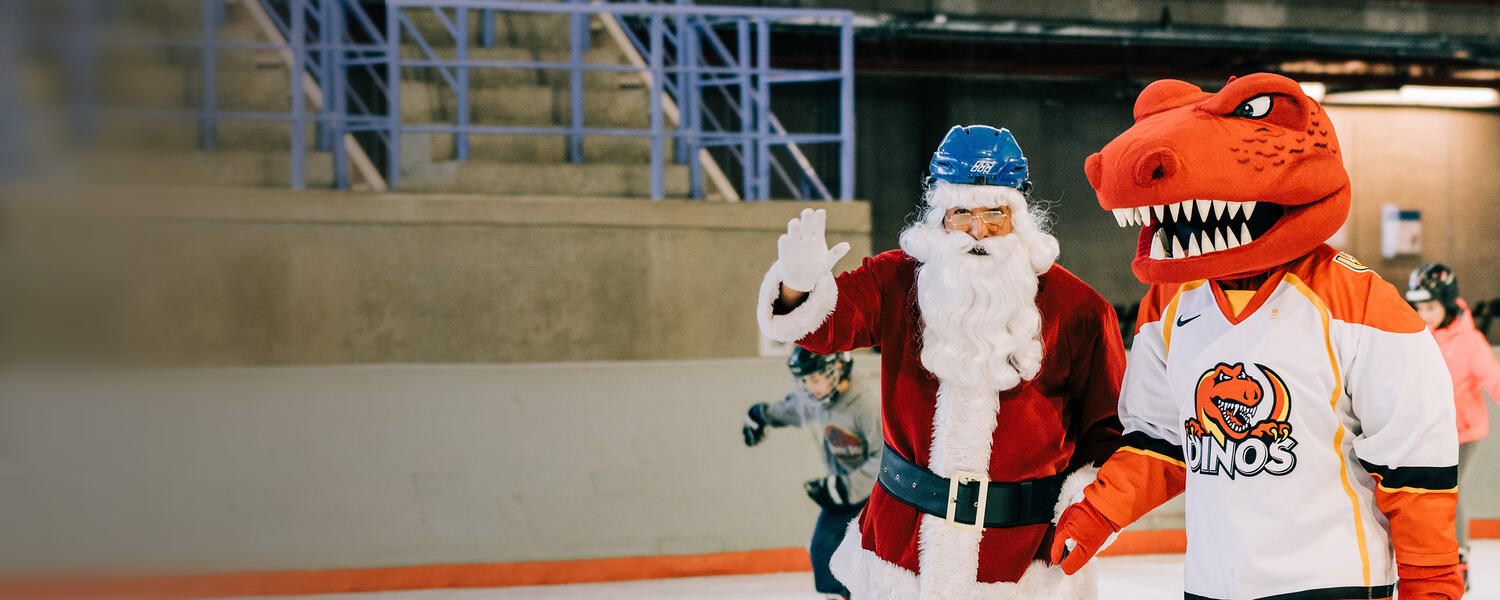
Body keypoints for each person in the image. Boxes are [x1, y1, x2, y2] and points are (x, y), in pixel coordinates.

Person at [1052, 73, 1463, 599]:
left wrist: (1431, 582)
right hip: (1213, 584)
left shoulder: (1363, 304)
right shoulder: (1169, 303)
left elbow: (1415, 467)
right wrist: (1097, 513)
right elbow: (1160, 441)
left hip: (1333, 583)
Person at [755, 125, 1125, 598]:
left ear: (1019, 216)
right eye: (963, 212)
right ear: (939, 215)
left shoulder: (1080, 310)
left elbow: (1109, 433)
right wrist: (796, 284)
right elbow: (821, 326)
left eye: (996, 213)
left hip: (1022, 563)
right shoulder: (895, 280)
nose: (978, 230)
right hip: (900, 556)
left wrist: (1085, 514)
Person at [742, 348, 881, 599]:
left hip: (875, 492)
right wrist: (760, 415)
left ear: (836, 370)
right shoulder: (818, 398)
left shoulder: (865, 405)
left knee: (875, 557)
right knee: (823, 550)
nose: (811, 387)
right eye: (805, 381)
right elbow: (793, 409)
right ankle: (839, 595)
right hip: (847, 490)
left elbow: (882, 458)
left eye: (815, 379)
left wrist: (846, 487)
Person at [1406, 263, 1500, 589]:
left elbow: (1494, 378)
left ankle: (1458, 557)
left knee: (1451, 491)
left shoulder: (1470, 342)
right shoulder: (1418, 334)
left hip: (1464, 431)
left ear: (1446, 303)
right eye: (1419, 308)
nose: (1424, 314)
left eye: (1430, 307)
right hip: (1429, 431)